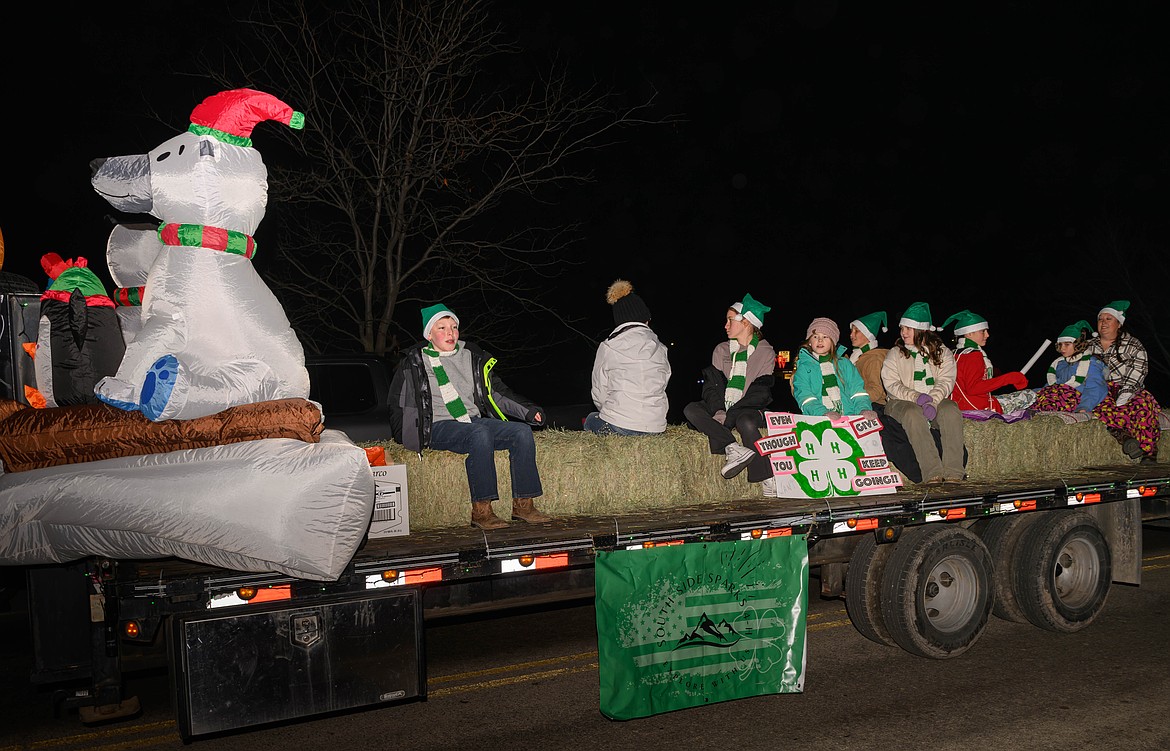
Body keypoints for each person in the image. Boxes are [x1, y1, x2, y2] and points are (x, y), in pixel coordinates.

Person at [389, 303, 552, 530]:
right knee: (480, 433)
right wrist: (404, 437)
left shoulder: (472, 357)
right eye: (442, 327)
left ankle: (524, 505)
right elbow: (398, 402)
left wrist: (527, 411)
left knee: (521, 432)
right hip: (436, 425)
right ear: (429, 334)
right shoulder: (415, 362)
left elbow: (496, 391)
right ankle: (482, 511)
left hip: (471, 421)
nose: (450, 333)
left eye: (454, 327)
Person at [683, 293, 776, 495]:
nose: (725, 325)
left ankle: (767, 477)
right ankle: (733, 447)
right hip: (722, 407)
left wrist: (730, 415)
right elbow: (712, 387)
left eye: (730, 320)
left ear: (746, 323)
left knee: (746, 423)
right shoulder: (721, 350)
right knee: (691, 409)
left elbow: (760, 393)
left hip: (749, 408)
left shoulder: (766, 352)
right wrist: (718, 411)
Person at [881, 302, 966, 484]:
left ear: (922, 330)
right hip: (900, 402)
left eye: (909, 328)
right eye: (902, 328)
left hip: (933, 401)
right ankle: (932, 473)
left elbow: (946, 381)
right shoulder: (895, 353)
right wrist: (916, 397)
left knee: (950, 409)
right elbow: (891, 383)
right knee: (913, 413)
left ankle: (953, 472)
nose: (904, 332)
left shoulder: (943, 353)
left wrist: (932, 402)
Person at [584, 279, 671, 435]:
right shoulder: (661, 348)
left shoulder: (608, 347)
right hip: (656, 427)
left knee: (591, 419)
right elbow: (663, 384)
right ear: (646, 319)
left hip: (620, 425)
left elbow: (599, 392)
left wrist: (613, 413)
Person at [1087, 300, 1161, 461]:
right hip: (1100, 390)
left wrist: (1123, 397)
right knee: (1099, 406)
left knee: (1142, 407)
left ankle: (1148, 453)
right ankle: (1126, 439)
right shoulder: (1087, 347)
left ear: (1119, 323)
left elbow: (1138, 372)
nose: (1103, 323)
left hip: (1129, 389)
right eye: (1100, 319)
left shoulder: (1133, 345)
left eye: (1108, 319)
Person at [942, 309, 1033, 415]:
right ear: (969, 333)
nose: (987, 335)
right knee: (1030, 395)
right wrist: (1009, 378)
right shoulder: (973, 355)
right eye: (983, 331)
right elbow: (974, 388)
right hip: (976, 408)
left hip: (957, 405)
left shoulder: (954, 353)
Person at [793, 316, 877, 421]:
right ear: (809, 341)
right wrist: (822, 413)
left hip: (849, 418)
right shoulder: (804, 368)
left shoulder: (845, 364)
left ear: (833, 342)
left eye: (825, 337)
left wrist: (863, 409)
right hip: (817, 420)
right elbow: (805, 396)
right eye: (815, 336)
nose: (820, 340)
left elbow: (857, 391)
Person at [1030, 320, 1108, 414]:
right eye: (1060, 344)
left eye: (1067, 344)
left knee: (1049, 402)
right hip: (1057, 395)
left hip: (1076, 399)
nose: (1062, 348)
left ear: (1078, 344)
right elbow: (1052, 385)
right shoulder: (1060, 363)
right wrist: (1033, 393)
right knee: (1032, 395)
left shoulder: (1091, 363)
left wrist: (1084, 407)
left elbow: (1096, 387)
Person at [848, 311, 889, 408]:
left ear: (868, 335)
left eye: (856, 331)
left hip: (874, 406)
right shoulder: (856, 357)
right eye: (851, 331)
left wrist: (850, 398)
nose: (851, 335)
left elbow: (876, 391)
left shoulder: (874, 359)